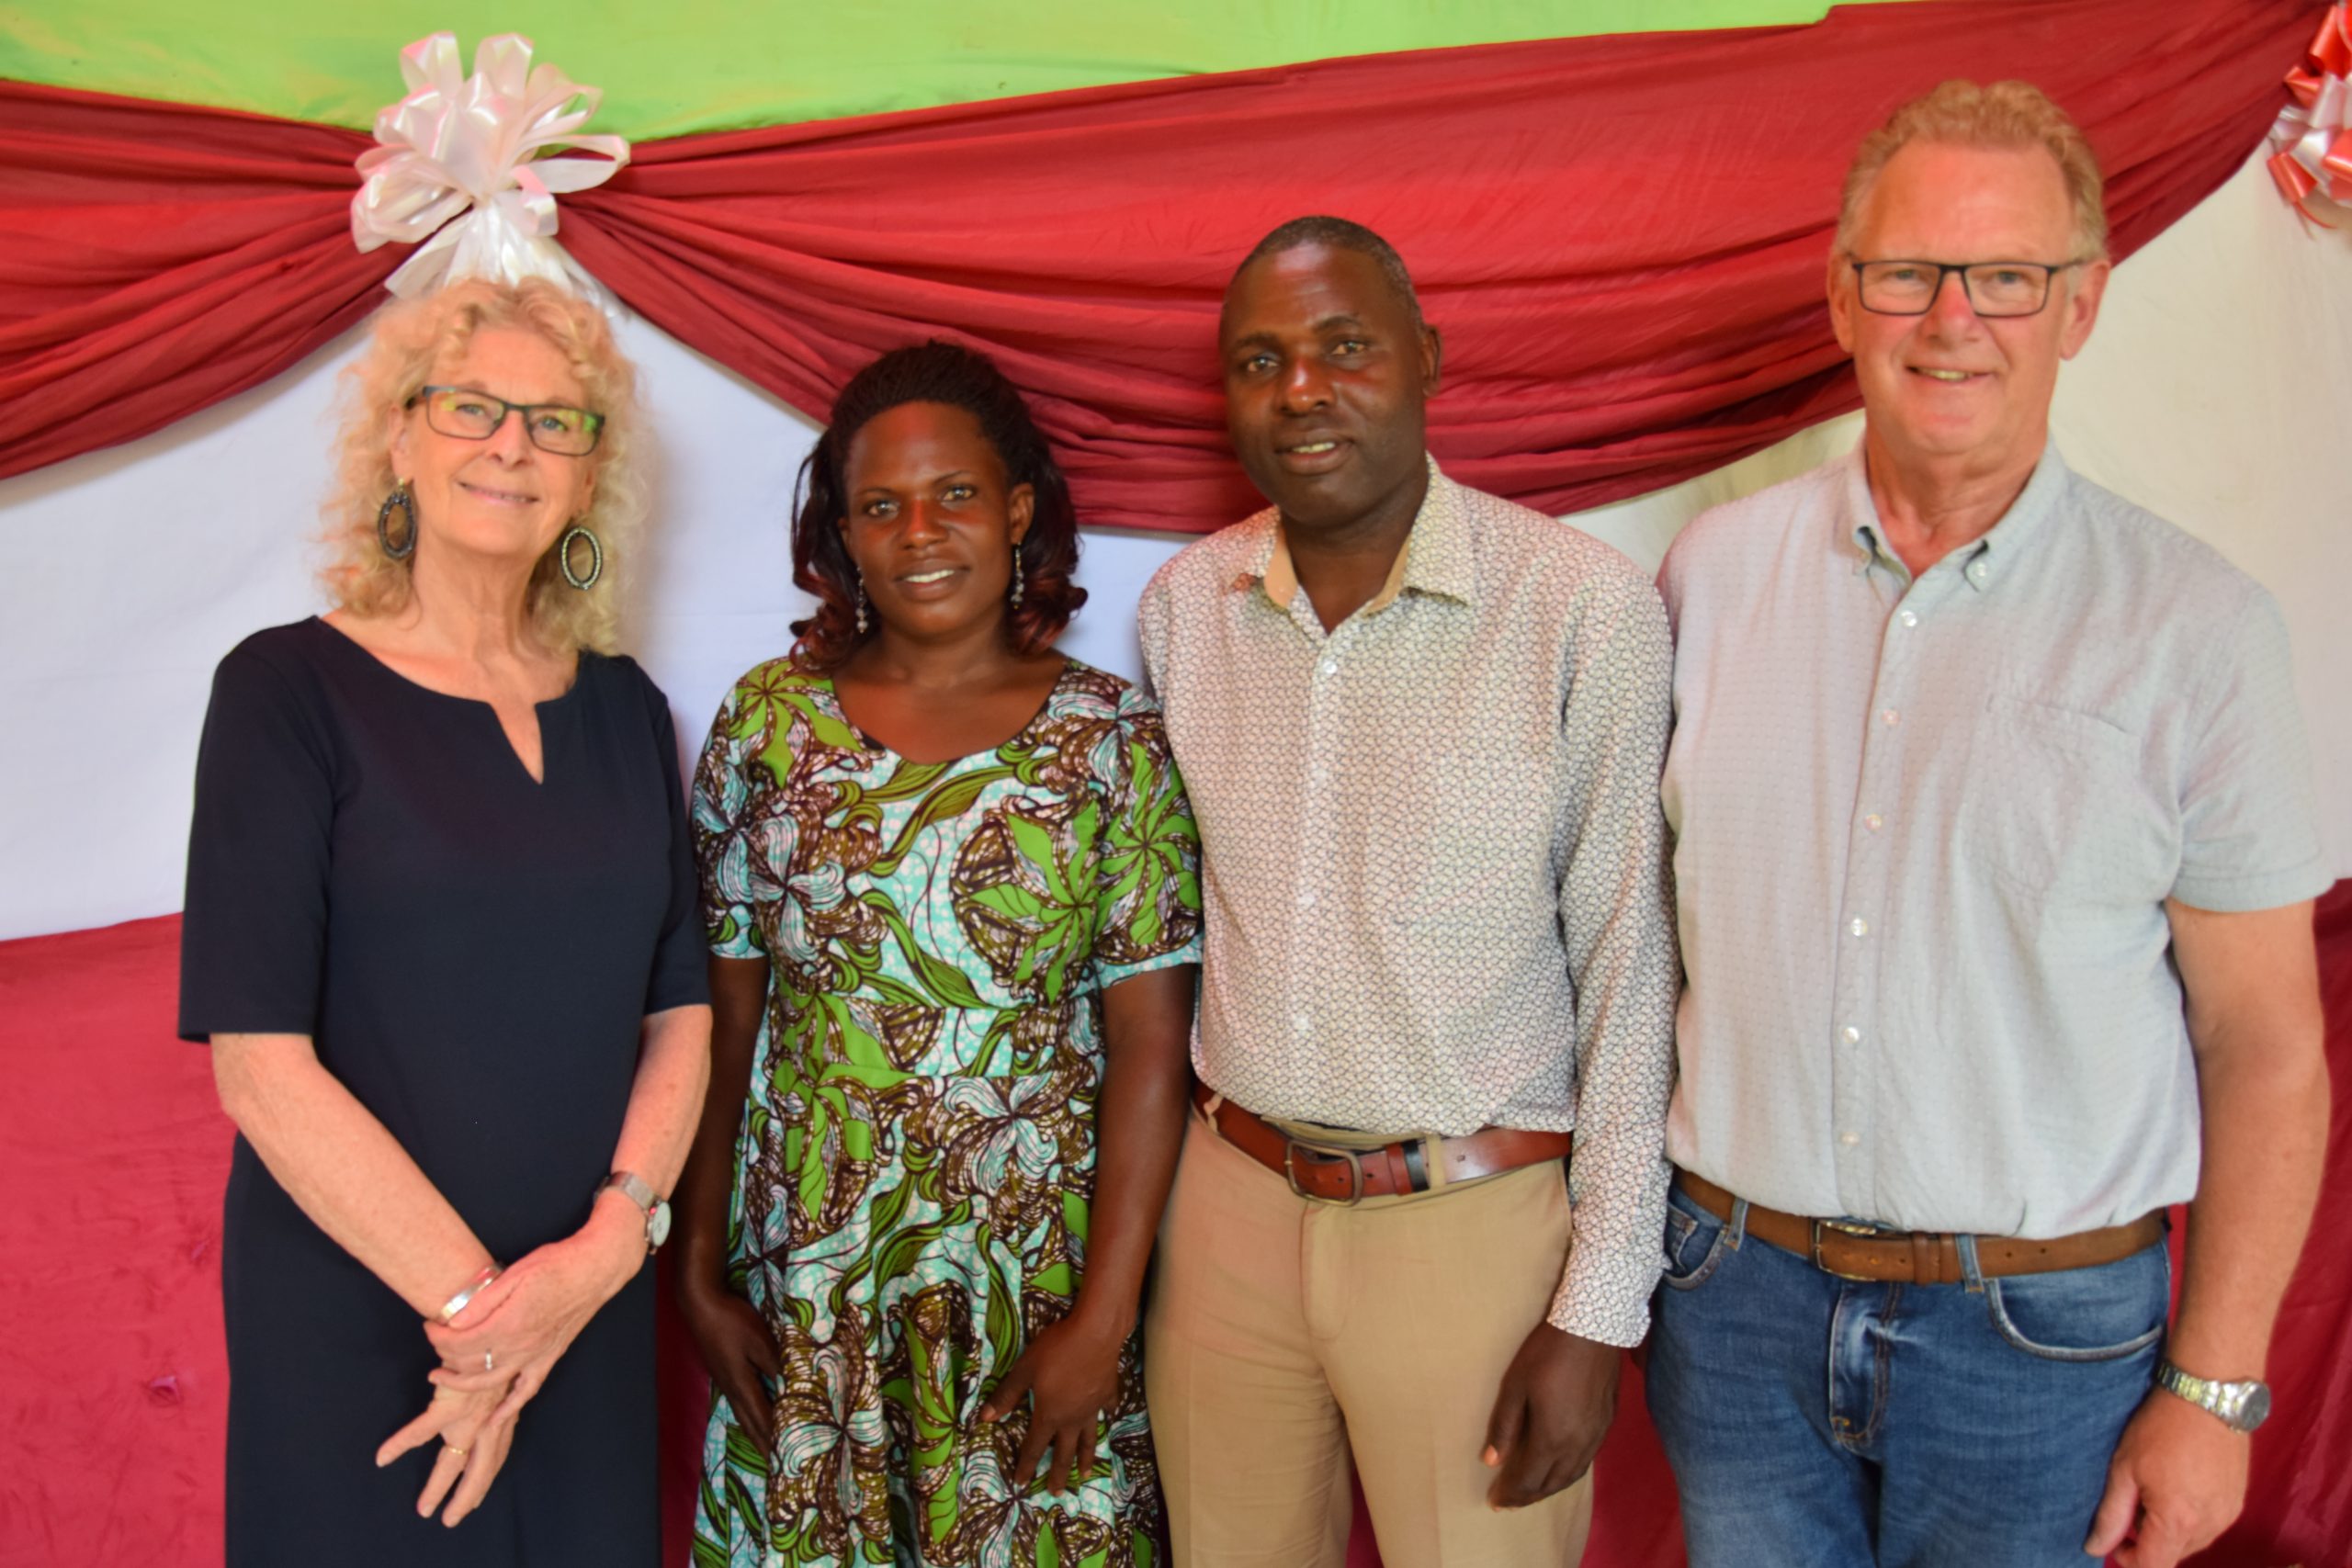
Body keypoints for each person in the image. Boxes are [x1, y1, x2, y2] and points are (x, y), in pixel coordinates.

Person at [1647, 79, 2332, 1568]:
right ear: (1845, 298)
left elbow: (2264, 1044)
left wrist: (2215, 1390)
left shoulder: (2197, 629)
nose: (1953, 318)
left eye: (2008, 276)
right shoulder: (1707, 579)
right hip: (1733, 1306)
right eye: (1910, 271)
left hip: (2040, 1343)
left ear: (2080, 305)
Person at [1136, 217, 1679, 1567]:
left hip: (1473, 1228)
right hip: (1230, 1209)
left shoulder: (1580, 608)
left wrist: (1600, 1306)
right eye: (1261, 361)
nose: (1301, 391)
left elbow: (1633, 971)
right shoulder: (1185, 608)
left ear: (1426, 359)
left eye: (1345, 348)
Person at [176, 276, 712, 1565]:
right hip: (370, 1315)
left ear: (589, 477)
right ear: (400, 440)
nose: (512, 446)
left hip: (584, 1307)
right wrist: (481, 1318)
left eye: (555, 421)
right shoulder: (283, 693)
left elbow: (680, 1014)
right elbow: (259, 1068)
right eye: (471, 408)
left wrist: (601, 1255)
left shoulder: (627, 710)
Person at [679, 341, 1203, 1568]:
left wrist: (1104, 1320)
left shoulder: (1111, 738)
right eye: (882, 505)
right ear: (843, 536)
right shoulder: (767, 727)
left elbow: (1150, 1043)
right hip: (811, 1281)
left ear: (1017, 511)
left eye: (955, 494)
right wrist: (697, 1272)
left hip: (1035, 1283)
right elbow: (726, 1018)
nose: (921, 532)